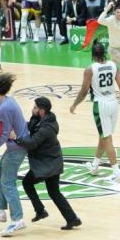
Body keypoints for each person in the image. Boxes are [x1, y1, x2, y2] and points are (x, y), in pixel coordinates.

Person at [15, 97, 82, 230]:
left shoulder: (47, 127)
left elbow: (32, 143)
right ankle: (72, 219)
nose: (32, 109)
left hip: (47, 164)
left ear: (42, 111)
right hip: (52, 161)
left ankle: (40, 210)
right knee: (54, 192)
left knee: (27, 183)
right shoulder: (41, 120)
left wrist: (16, 138)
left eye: (35, 107)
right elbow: (29, 126)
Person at [70, 42, 120, 183]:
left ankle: (116, 172)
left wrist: (74, 104)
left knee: (107, 138)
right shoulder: (113, 65)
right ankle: (95, 166)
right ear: (105, 53)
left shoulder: (90, 69)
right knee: (104, 136)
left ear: (92, 54)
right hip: (114, 103)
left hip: (100, 105)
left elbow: (84, 91)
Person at [0, 72, 30, 237]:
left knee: (8, 182)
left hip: (17, 148)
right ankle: (0, 210)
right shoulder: (7, 101)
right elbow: (4, 129)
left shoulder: (5, 107)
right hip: (15, 145)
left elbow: (3, 135)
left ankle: (18, 219)